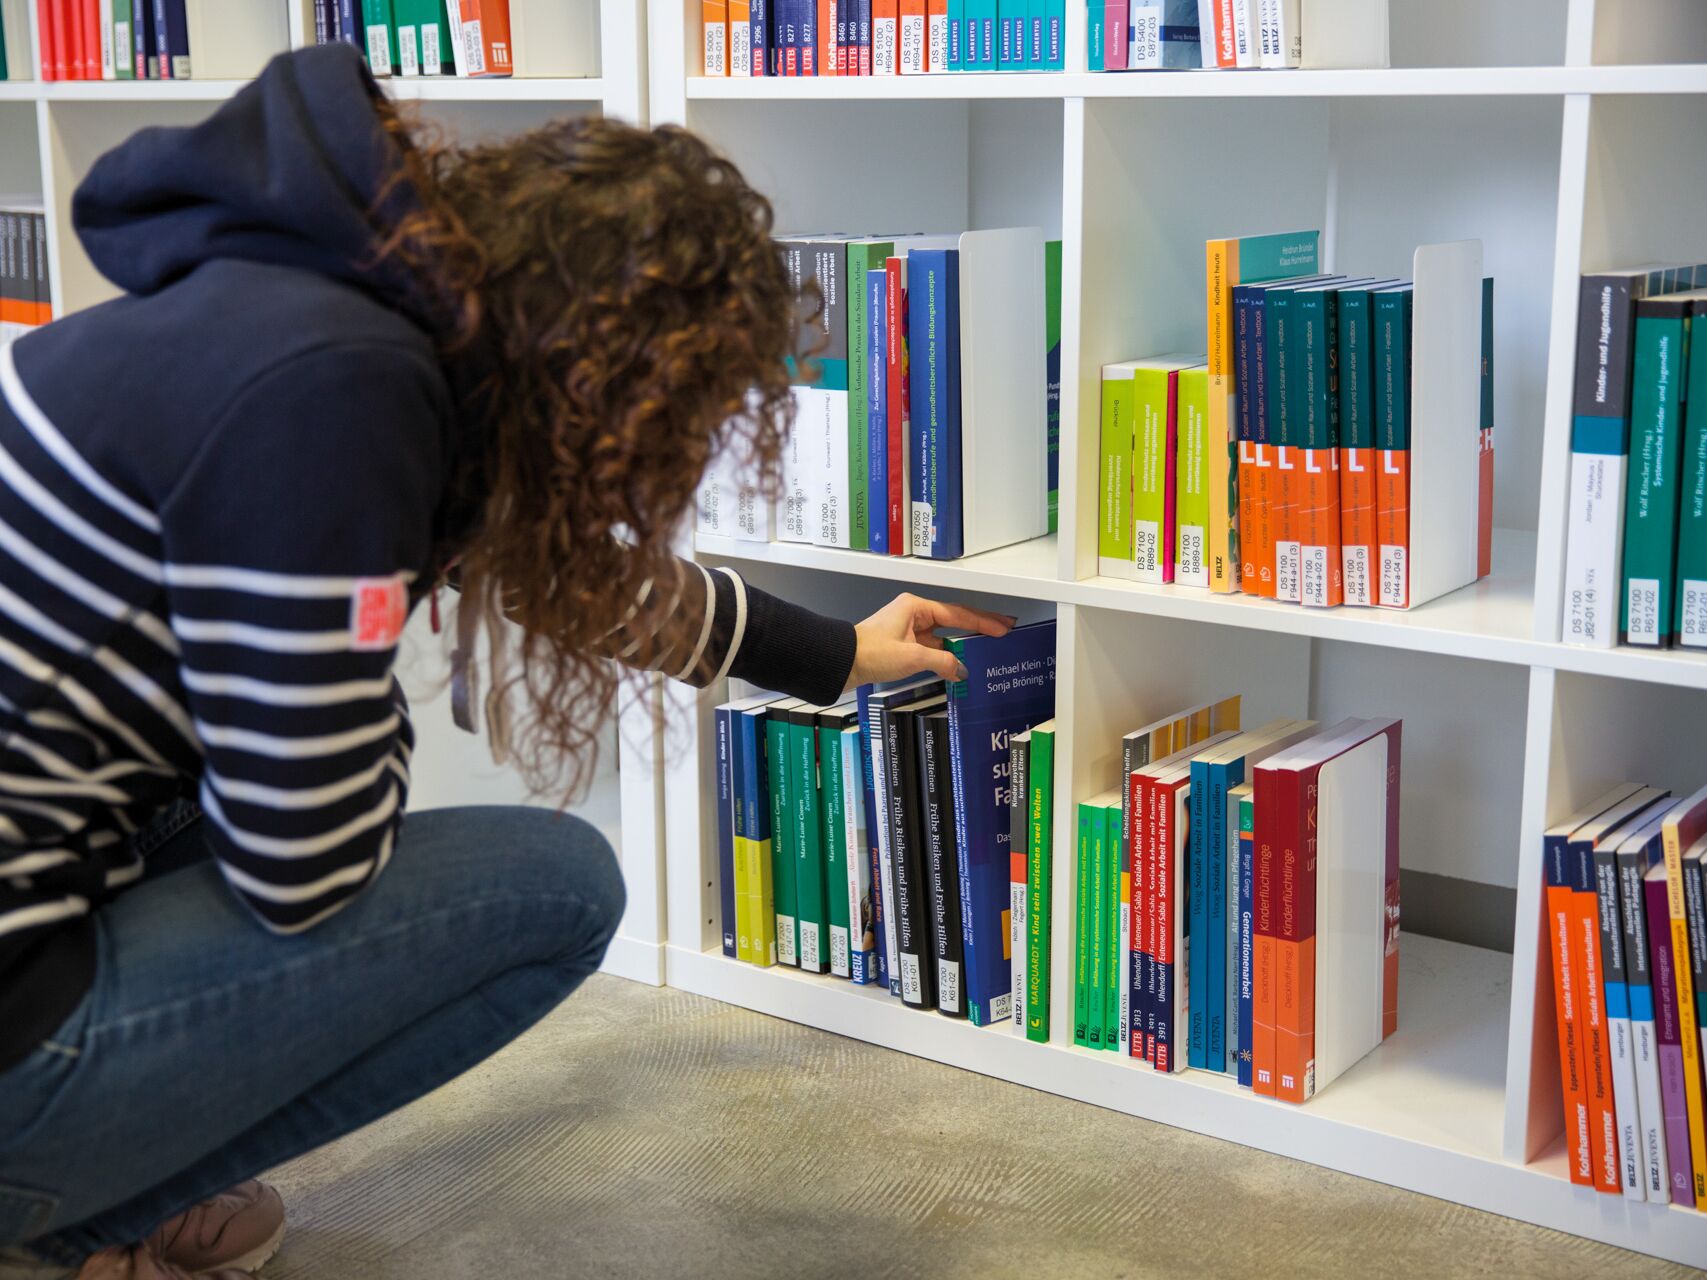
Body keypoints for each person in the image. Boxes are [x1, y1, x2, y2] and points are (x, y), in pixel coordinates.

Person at [0, 43, 1012, 1280]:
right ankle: (62, 1221)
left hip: (51, 862)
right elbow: (304, 862)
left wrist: (836, 648)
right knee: (557, 889)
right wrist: (364, 697)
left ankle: (97, 1192)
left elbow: (559, 569)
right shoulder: (341, 395)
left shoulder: (329, 306)